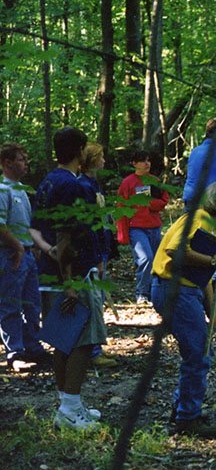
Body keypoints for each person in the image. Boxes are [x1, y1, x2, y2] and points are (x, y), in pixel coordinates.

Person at [150, 182, 216, 436]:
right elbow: (174, 250)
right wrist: (212, 260)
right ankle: (188, 417)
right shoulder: (199, 218)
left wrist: (212, 308)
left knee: (200, 349)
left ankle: (183, 408)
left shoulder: (209, 225)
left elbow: (204, 275)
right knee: (198, 353)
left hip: (186, 291)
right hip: (174, 289)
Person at [33, 127, 106, 431]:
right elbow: (65, 235)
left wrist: (47, 252)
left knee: (64, 341)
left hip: (53, 272)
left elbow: (36, 228)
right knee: (83, 341)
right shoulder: (71, 185)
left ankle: (68, 404)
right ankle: (70, 407)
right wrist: (70, 283)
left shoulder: (48, 182)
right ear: (78, 150)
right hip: (72, 275)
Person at [0, 143, 50, 371]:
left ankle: (33, 346)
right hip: (10, 255)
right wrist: (18, 248)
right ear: (7, 163)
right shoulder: (3, 189)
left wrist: (38, 247)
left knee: (32, 303)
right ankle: (15, 353)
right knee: (10, 304)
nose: (26, 163)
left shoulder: (21, 189)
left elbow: (26, 225)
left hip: (27, 256)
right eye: (21, 159)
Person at [78, 143, 117, 368]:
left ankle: (93, 349)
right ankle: (92, 351)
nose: (104, 160)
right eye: (101, 156)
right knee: (93, 301)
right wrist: (96, 257)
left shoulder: (94, 184)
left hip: (100, 249)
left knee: (98, 299)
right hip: (93, 252)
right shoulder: (83, 185)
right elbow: (90, 224)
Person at [117, 150, 169, 305]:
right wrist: (122, 234)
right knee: (145, 259)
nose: (147, 163)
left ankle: (156, 294)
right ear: (134, 164)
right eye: (142, 161)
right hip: (137, 228)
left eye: (148, 160)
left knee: (157, 261)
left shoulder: (155, 181)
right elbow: (121, 208)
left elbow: (163, 200)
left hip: (154, 227)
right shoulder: (128, 183)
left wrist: (150, 203)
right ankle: (142, 293)